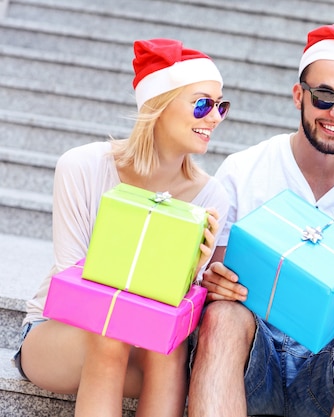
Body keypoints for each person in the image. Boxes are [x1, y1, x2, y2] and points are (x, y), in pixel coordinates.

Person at [188, 23, 334, 417]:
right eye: (325, 96)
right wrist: (213, 281)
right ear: (299, 94)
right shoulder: (244, 170)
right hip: (252, 361)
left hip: (330, 372)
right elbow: (216, 273)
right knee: (223, 316)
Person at [14, 38, 230, 416]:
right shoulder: (82, 166)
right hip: (59, 335)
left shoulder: (212, 197)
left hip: (145, 349)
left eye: (220, 107)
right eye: (202, 104)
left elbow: (172, 315)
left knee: (170, 346)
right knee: (109, 334)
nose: (214, 118)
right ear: (159, 106)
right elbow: (73, 289)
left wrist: (190, 274)